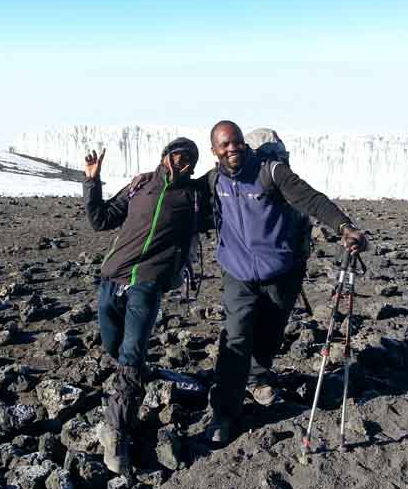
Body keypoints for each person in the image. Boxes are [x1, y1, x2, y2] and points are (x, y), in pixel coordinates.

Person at [197, 120, 368, 445]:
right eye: (224, 145)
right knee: (235, 339)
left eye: (236, 142)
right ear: (215, 151)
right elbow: (183, 205)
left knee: (269, 334)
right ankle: (224, 413)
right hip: (238, 273)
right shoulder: (212, 180)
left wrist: (344, 226)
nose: (232, 149)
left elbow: (311, 200)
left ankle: (259, 377)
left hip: (282, 272)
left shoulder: (270, 172)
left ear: (243, 144)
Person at [83, 137, 206, 473]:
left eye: (192, 160)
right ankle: (139, 375)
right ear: (166, 156)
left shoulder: (196, 196)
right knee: (114, 345)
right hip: (113, 278)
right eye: (181, 155)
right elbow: (101, 219)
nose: (186, 163)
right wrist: (92, 181)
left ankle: (117, 431)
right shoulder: (140, 186)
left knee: (131, 354)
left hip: (147, 284)